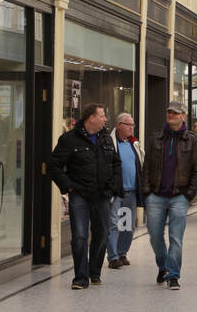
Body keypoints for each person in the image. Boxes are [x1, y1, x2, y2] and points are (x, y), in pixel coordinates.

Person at [47, 103, 121, 289]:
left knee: (102, 234)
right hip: (79, 194)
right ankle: (80, 278)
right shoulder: (69, 139)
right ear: (91, 118)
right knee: (79, 236)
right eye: (102, 115)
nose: (105, 119)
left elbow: (115, 164)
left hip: (102, 195)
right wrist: (68, 187)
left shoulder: (106, 139)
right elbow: (53, 165)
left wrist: (112, 187)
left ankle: (94, 272)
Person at [141, 101, 197, 288]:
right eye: (169, 112)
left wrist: (189, 194)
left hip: (179, 196)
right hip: (156, 196)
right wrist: (146, 191)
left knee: (176, 237)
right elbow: (146, 167)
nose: (171, 115)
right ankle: (164, 266)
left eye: (175, 113)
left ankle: (173, 274)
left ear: (183, 116)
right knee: (154, 235)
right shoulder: (155, 138)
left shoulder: (192, 141)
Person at [107, 113, 144, 269]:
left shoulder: (134, 144)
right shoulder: (110, 143)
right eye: (128, 124)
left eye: (133, 125)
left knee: (128, 225)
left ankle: (122, 253)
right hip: (115, 192)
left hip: (131, 191)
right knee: (113, 224)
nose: (131, 128)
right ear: (119, 125)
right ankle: (113, 257)